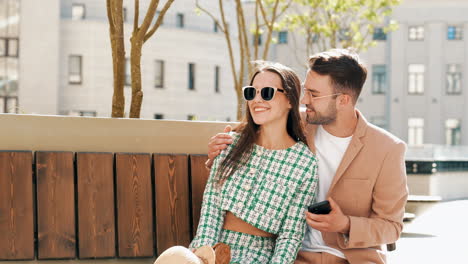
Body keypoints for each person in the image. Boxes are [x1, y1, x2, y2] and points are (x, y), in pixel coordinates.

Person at [206, 49, 408, 264]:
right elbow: (243, 148)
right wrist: (215, 156)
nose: (304, 99)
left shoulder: (388, 149)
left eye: (314, 94)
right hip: (293, 255)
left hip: (352, 258)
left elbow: (391, 227)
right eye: (305, 91)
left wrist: (345, 224)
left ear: (343, 100)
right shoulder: (293, 124)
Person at [155, 61, 319, 264]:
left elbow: (290, 235)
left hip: (257, 256)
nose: (257, 100)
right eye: (251, 93)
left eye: (267, 92)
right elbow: (211, 208)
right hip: (211, 248)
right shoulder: (230, 144)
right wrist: (204, 256)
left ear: (290, 100)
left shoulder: (304, 164)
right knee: (176, 256)